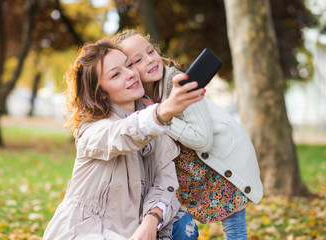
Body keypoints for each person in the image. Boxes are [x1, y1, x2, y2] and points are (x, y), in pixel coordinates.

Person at [42, 39, 205, 240]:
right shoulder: (92, 129)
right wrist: (163, 111)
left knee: (184, 226)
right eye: (116, 74)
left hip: (135, 228)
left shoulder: (153, 121)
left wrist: (151, 220)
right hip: (86, 231)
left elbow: (166, 180)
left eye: (129, 65)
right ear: (101, 93)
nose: (130, 74)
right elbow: (122, 135)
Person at [113, 29, 264, 240]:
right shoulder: (137, 99)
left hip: (219, 166)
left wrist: (164, 114)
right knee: (182, 227)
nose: (149, 60)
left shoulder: (178, 82)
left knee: (235, 231)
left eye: (150, 52)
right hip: (186, 177)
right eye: (138, 59)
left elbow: (202, 140)